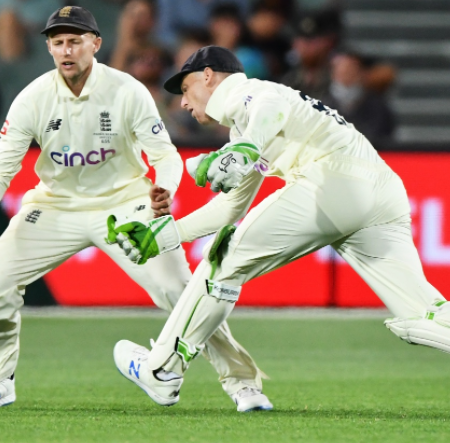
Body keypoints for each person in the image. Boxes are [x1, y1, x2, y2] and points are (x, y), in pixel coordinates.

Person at [112, 45, 450, 407]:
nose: (182, 102)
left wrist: (246, 148)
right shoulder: (246, 125)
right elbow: (230, 207)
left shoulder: (246, 93)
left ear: (208, 76)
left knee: (222, 262)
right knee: (424, 312)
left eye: (185, 88)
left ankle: (162, 369)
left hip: (332, 181)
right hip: (382, 191)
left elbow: (268, 107)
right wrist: (164, 235)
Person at [0, 9, 273, 413]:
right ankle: (3, 380)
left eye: (75, 40)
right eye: (57, 42)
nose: (66, 50)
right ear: (49, 48)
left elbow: (165, 155)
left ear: (95, 44)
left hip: (126, 204)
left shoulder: (126, 90)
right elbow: (5, 164)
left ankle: (243, 384)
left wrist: (164, 187)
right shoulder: (33, 98)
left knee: (180, 292)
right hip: (55, 207)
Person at [322, 49, 396, 145]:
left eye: (351, 70)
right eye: (341, 70)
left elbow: (381, 135)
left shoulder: (377, 106)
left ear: (361, 73)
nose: (346, 74)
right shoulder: (321, 104)